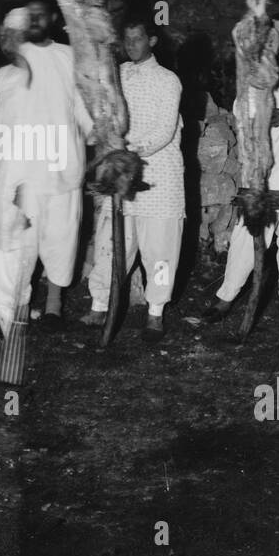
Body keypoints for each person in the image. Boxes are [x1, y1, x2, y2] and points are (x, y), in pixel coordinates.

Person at [0, 5, 92, 386]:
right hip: (17, 182)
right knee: (9, 258)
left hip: (59, 176)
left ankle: (52, 305)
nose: (7, 42)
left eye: (12, 35)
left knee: (60, 244)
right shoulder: (4, 76)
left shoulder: (68, 58)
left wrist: (101, 141)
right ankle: (13, 332)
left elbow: (86, 114)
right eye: (4, 36)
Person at [201, 16, 279, 325]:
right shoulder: (259, 71)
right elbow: (236, 108)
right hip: (263, 173)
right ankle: (226, 296)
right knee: (248, 236)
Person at [83, 20, 184, 341]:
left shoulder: (168, 80)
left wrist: (126, 152)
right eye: (127, 40)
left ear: (152, 40)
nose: (132, 45)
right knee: (110, 245)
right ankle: (100, 302)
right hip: (119, 178)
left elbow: (164, 131)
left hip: (159, 178)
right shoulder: (117, 76)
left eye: (138, 39)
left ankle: (155, 311)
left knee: (161, 250)